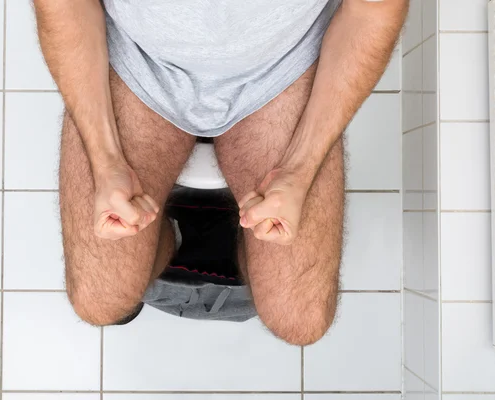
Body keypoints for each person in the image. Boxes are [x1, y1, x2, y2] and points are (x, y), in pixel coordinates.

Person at [34, 0, 407, 345]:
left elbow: (371, 11)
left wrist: (299, 167)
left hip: (282, 65)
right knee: (101, 301)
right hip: (139, 61)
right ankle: (171, 240)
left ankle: (229, 246)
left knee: (300, 319)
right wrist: (106, 158)